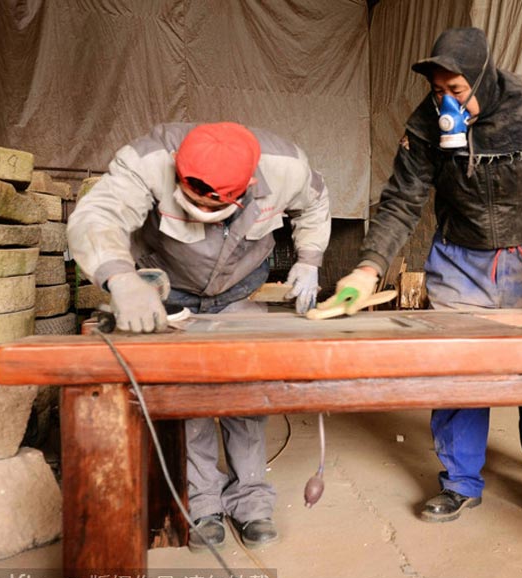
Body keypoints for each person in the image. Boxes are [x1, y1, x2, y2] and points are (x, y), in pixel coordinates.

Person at [320, 27, 522, 522]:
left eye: (455, 91)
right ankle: (460, 481)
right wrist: (366, 271)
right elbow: (400, 203)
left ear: (482, 77)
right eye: (437, 92)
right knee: (458, 369)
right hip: (458, 256)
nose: (445, 103)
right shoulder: (425, 126)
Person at [68, 122, 331, 549]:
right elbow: (99, 214)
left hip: (241, 285)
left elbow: (316, 204)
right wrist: (121, 277)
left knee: (245, 392)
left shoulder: (286, 167)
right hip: (172, 290)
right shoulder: (147, 160)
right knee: (190, 396)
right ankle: (203, 502)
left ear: (247, 186)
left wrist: (310, 258)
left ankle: (251, 501)